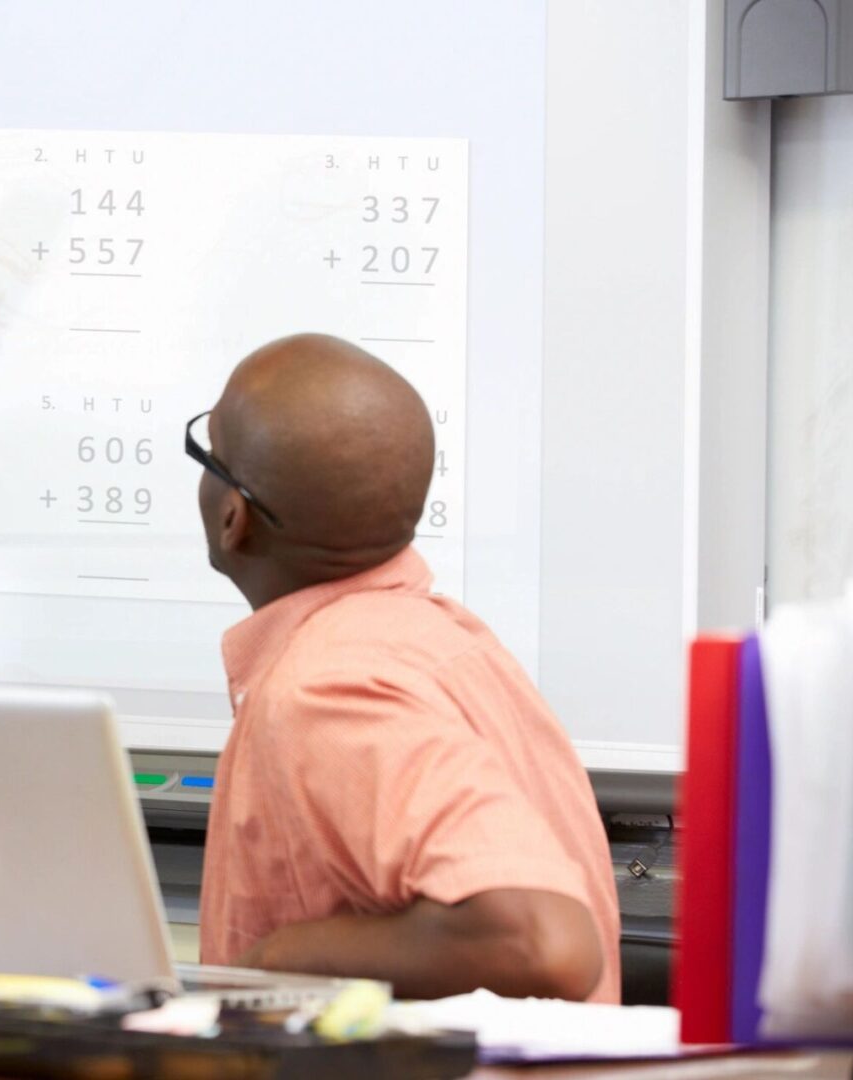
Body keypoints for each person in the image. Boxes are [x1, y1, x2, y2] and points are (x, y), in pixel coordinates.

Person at [191, 333, 620, 1002]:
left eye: (207, 452)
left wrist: (278, 958)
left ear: (232, 517)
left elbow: (541, 941)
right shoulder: (447, 641)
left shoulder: (327, 689)